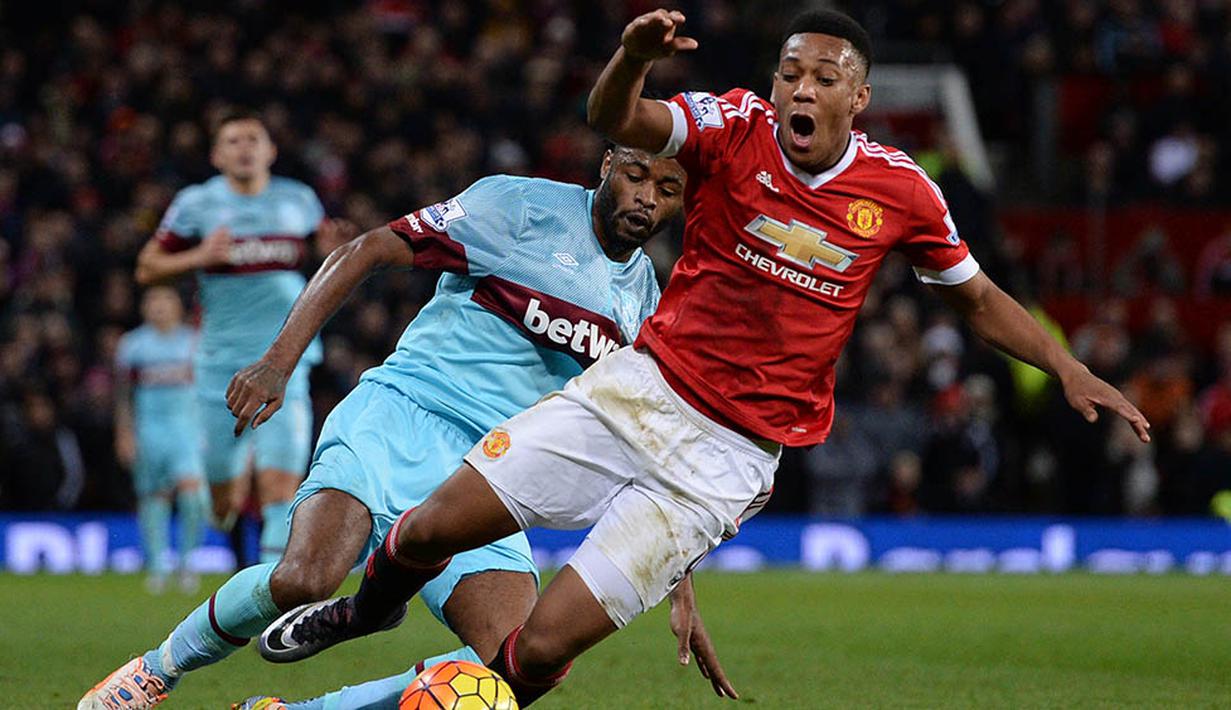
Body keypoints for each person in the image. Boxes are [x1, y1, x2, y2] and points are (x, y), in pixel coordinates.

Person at [262, 9, 1151, 707]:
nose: (799, 87)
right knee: (423, 531)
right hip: (635, 395)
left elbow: (975, 295)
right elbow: (615, 117)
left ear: (857, 99)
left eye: (823, 76)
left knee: (536, 653)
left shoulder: (902, 192)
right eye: (789, 71)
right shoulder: (734, 125)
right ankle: (361, 612)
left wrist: (1062, 367)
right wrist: (632, 56)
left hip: (725, 462)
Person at [80, 147, 732, 710]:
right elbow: (365, 249)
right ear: (606, 165)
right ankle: (155, 670)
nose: (645, 198)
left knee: (516, 662)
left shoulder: (643, 300)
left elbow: (643, 442)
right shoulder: (517, 206)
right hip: (399, 417)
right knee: (306, 578)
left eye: (667, 190)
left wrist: (678, 584)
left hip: (493, 474)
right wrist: (279, 361)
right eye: (636, 176)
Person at [133, 109, 347, 562]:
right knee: (223, 502)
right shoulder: (196, 204)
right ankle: (228, 500)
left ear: (270, 150)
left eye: (253, 139)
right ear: (216, 155)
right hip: (219, 366)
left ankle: (268, 599)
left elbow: (327, 262)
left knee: (279, 489)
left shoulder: (299, 200)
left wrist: (328, 254)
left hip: (286, 360)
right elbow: (147, 266)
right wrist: (198, 256)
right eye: (233, 140)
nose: (244, 147)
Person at [114, 286, 209, 594]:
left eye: (166, 300)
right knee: (154, 498)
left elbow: (210, 393)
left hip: (187, 431)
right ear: (144, 308)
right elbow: (122, 396)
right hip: (149, 430)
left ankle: (187, 563)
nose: (159, 307)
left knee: (193, 498)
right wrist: (124, 432)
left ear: (178, 307)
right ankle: (156, 566)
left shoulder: (195, 344)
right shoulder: (132, 346)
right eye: (153, 301)